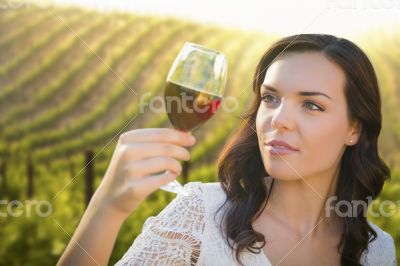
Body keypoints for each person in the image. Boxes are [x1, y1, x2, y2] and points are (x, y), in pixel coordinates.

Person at [57, 34, 397, 266]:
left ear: (355, 128)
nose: (279, 120)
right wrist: (107, 208)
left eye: (311, 105)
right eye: (270, 98)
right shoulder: (201, 215)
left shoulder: (377, 251)